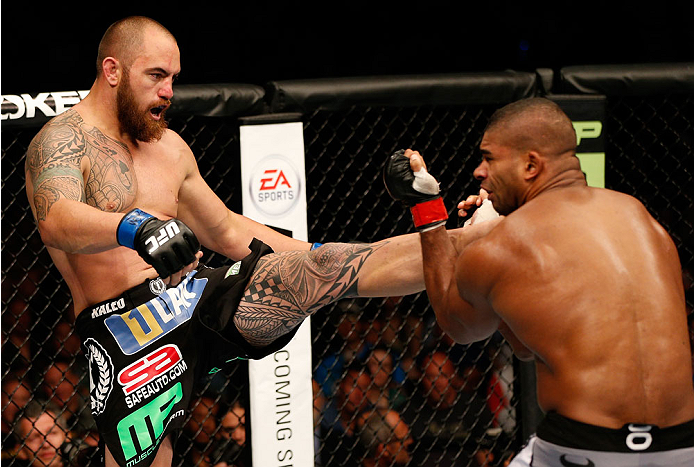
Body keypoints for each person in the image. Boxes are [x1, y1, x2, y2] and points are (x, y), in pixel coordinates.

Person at [23, 15, 486, 467]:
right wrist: (135, 227)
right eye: (156, 76)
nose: (168, 91)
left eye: (174, 78)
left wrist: (320, 258)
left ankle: (473, 240)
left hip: (193, 297)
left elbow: (225, 230)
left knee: (326, 270)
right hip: (124, 328)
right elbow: (57, 219)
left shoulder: (169, 148)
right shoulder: (63, 140)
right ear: (112, 70)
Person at [384, 97, 694, 466]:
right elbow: (529, 346)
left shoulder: (507, 244)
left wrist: (430, 211)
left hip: (584, 447)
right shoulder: (640, 217)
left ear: (531, 164)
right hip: (682, 445)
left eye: (490, 158)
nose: (479, 172)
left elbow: (459, 326)